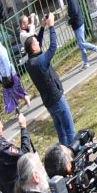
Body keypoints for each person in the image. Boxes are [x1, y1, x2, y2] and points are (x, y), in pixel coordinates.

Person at [22, 14, 78, 148]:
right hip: (57, 98)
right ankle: (75, 153)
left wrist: (42, 26)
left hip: (48, 102)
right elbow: (52, 47)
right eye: (36, 43)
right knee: (70, 131)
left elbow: (37, 44)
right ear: (34, 48)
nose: (38, 43)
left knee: (61, 133)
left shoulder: (30, 63)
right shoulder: (41, 61)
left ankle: (64, 157)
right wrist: (51, 26)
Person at [62, 0, 97, 67]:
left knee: (82, 44)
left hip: (78, 23)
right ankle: (86, 62)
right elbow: (73, 12)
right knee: (81, 44)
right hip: (76, 24)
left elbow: (75, 13)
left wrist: (70, 21)